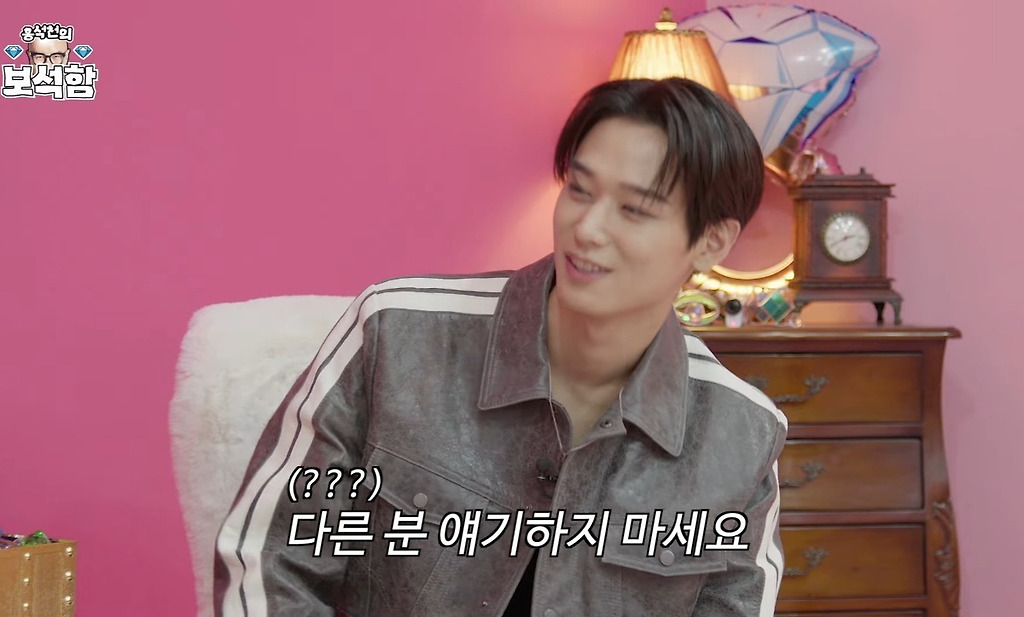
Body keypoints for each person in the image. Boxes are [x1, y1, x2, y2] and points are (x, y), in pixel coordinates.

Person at [214, 77, 787, 616]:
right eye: (579, 190)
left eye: (634, 210)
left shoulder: (741, 434)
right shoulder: (395, 333)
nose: (588, 229)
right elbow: (268, 563)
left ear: (711, 241)